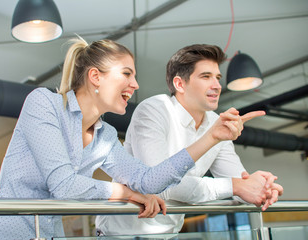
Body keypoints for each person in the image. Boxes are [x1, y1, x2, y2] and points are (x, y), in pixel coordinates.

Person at [0, 37, 262, 239]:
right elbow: (63, 185)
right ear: (96, 77)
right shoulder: (44, 104)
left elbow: (149, 181)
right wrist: (124, 193)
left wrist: (212, 137)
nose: (135, 85)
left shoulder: (106, 135)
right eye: (126, 73)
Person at [95, 44, 283, 236]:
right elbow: (160, 185)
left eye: (217, 77)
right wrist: (235, 186)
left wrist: (262, 187)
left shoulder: (217, 123)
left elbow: (241, 184)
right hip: (121, 234)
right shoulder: (154, 109)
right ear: (179, 84)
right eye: (206, 76)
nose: (217, 85)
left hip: (169, 234)